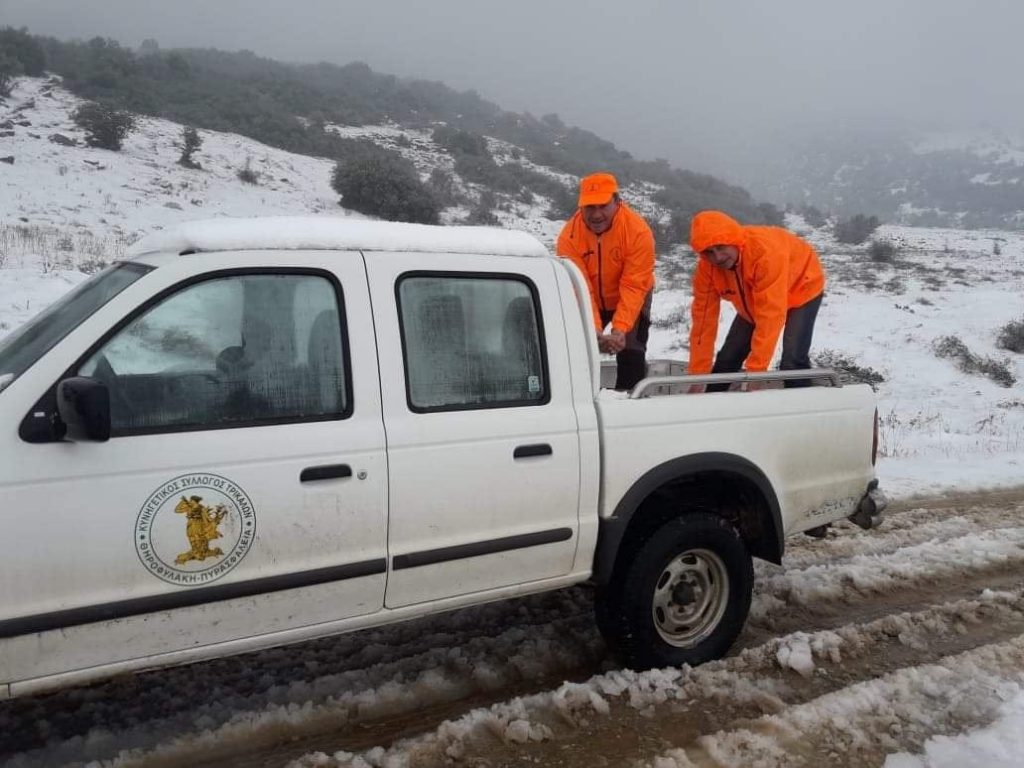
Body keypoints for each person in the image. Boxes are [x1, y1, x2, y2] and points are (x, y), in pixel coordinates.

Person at [687, 210, 825, 392]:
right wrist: (698, 376)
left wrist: (756, 374)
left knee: (792, 361)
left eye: (721, 247)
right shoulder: (707, 269)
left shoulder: (765, 253)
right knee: (728, 357)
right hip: (756, 298)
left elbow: (770, 316)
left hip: (802, 287)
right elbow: (703, 322)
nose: (717, 258)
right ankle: (710, 401)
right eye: (709, 252)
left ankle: (800, 406)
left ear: (734, 240)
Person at [556, 172, 656, 390]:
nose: (596, 214)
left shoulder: (638, 232)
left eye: (603, 206)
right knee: (580, 347)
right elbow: (580, 288)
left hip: (630, 295)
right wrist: (594, 331)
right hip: (588, 296)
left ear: (617, 202)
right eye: (589, 207)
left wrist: (619, 330)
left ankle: (629, 401)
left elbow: (633, 285)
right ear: (581, 206)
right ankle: (581, 398)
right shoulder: (568, 237)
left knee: (631, 350)